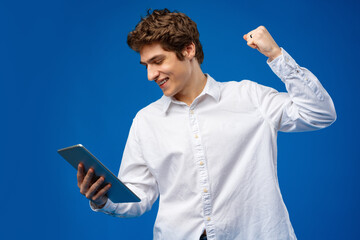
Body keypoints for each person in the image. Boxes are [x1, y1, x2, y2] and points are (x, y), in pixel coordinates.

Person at [76, 8, 336, 240]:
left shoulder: (250, 97)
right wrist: (104, 198)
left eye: (158, 61)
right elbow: (138, 198)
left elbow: (320, 113)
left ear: (188, 50)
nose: (150, 75)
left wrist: (276, 55)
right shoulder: (146, 121)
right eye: (146, 65)